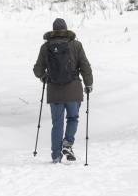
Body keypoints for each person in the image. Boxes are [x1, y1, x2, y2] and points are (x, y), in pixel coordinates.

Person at [33, 17, 93, 163]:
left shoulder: (45, 47)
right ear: (66, 29)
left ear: (53, 30)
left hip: (54, 91)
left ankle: (56, 156)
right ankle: (67, 143)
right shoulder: (76, 45)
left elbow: (37, 69)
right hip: (73, 89)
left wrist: (44, 77)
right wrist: (88, 84)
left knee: (57, 124)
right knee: (73, 118)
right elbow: (85, 66)